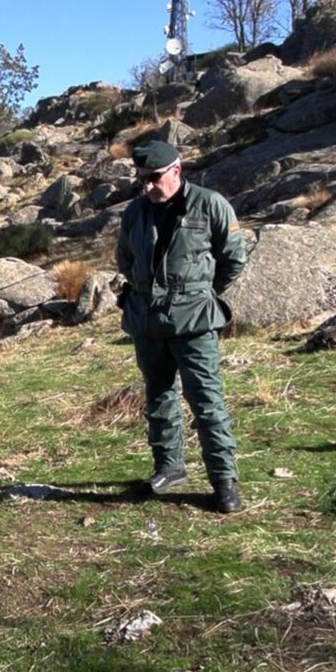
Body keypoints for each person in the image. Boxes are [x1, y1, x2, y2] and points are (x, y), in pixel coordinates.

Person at [115, 141, 248, 513]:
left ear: (177, 170)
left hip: (195, 321)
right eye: (141, 179)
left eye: (154, 178)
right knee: (158, 398)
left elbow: (233, 259)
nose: (147, 186)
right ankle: (169, 467)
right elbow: (125, 259)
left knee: (207, 401)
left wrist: (198, 293)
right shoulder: (135, 212)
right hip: (147, 320)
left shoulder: (210, 205)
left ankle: (224, 481)